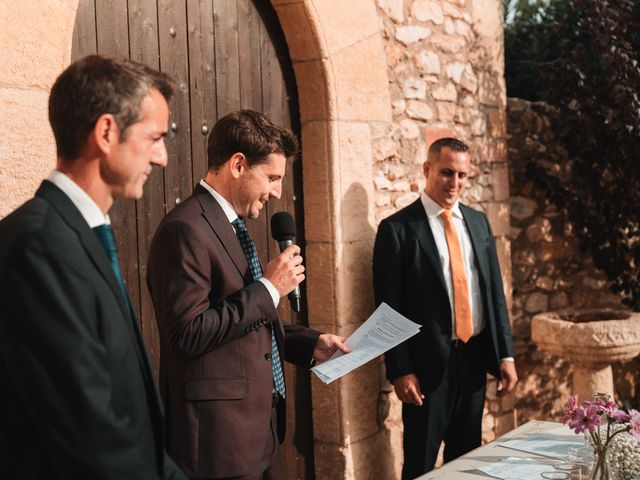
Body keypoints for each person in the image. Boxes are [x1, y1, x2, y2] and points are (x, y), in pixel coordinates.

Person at [0, 55, 186, 479]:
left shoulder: (79, 234)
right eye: (154, 137)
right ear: (106, 132)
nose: (162, 158)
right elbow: (92, 439)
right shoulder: (39, 245)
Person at [146, 109, 350, 480]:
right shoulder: (184, 230)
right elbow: (187, 335)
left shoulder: (232, 226)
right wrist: (270, 287)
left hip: (260, 437)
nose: (276, 192)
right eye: (271, 177)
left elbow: (244, 325)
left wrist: (309, 343)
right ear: (238, 165)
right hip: (216, 447)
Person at [373, 137, 518, 478]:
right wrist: (399, 369)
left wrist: (506, 355)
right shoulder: (397, 230)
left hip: (473, 360)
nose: (455, 183)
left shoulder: (478, 222)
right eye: (447, 172)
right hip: (426, 370)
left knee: (467, 464)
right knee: (421, 466)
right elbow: (387, 307)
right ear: (427, 169)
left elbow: (495, 294)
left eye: (462, 175)